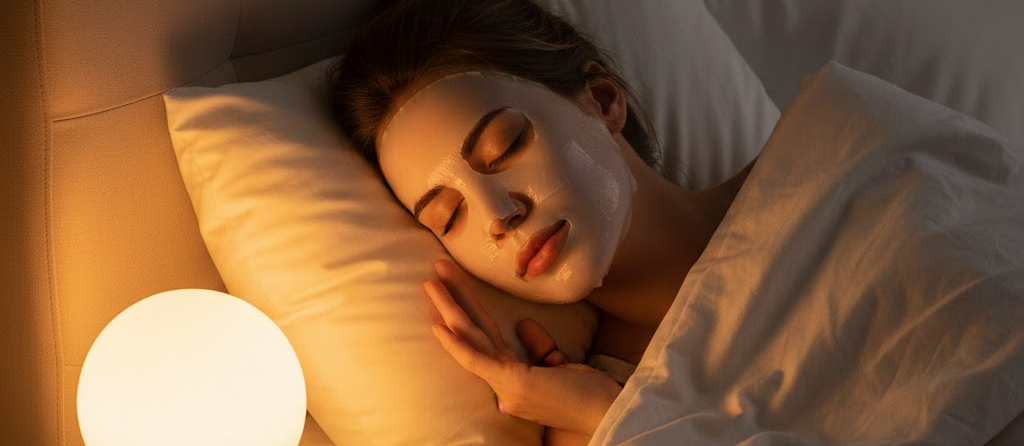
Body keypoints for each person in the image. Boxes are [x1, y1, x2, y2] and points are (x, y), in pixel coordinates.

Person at [327, 0, 751, 443]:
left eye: (504, 148)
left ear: (603, 102)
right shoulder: (589, 421)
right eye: (449, 218)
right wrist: (612, 417)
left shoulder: (821, 150)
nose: (497, 217)